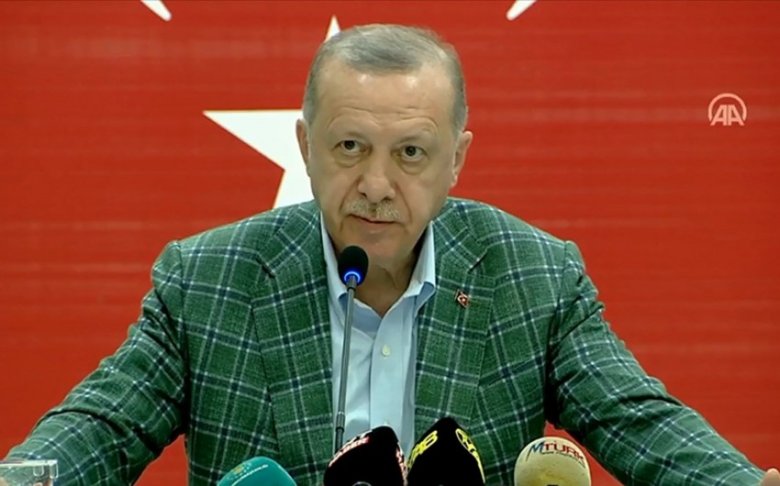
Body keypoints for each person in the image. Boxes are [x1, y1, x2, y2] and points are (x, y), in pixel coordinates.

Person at [3, 24, 777, 486]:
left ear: (456, 159)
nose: (376, 185)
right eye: (349, 147)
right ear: (306, 146)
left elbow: (636, 420)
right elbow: (104, 425)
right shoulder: (207, 281)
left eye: (410, 152)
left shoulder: (534, 276)